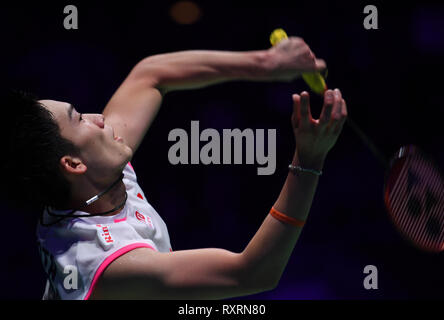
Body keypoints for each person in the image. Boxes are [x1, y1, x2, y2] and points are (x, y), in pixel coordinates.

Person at [2, 37, 347, 299]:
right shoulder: (103, 261)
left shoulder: (90, 177)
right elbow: (252, 274)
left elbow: (151, 75)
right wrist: (309, 162)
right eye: (80, 119)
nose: (100, 118)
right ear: (73, 164)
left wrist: (266, 62)